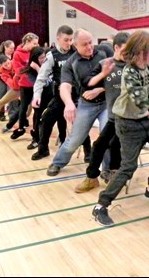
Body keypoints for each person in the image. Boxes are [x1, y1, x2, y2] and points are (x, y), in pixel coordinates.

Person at [92, 31, 149, 227]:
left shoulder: (147, 68)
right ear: (141, 50)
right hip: (127, 123)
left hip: (144, 119)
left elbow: (148, 93)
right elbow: (140, 100)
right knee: (128, 167)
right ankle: (101, 205)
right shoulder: (129, 72)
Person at [46, 29, 109, 176]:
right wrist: (68, 103)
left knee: (107, 136)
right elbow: (65, 86)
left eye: (90, 43)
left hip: (107, 103)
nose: (89, 47)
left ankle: (107, 170)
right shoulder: (70, 63)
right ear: (75, 45)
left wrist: (100, 90)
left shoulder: (104, 52)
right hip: (87, 105)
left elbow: (117, 76)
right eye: (84, 44)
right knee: (76, 138)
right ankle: (58, 162)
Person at [74, 32, 131, 193]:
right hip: (114, 116)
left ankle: (114, 174)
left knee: (115, 144)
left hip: (128, 117)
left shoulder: (133, 66)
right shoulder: (105, 63)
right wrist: (102, 77)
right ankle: (92, 178)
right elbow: (87, 83)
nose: (128, 54)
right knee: (99, 145)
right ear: (116, 48)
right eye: (126, 50)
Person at [31, 26, 90, 161]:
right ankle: (43, 149)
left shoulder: (77, 52)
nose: (68, 43)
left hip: (76, 95)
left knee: (80, 123)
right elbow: (41, 78)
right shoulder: (52, 56)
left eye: (71, 40)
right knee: (46, 120)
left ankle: (89, 152)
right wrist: (36, 96)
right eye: (65, 40)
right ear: (58, 38)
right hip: (59, 96)